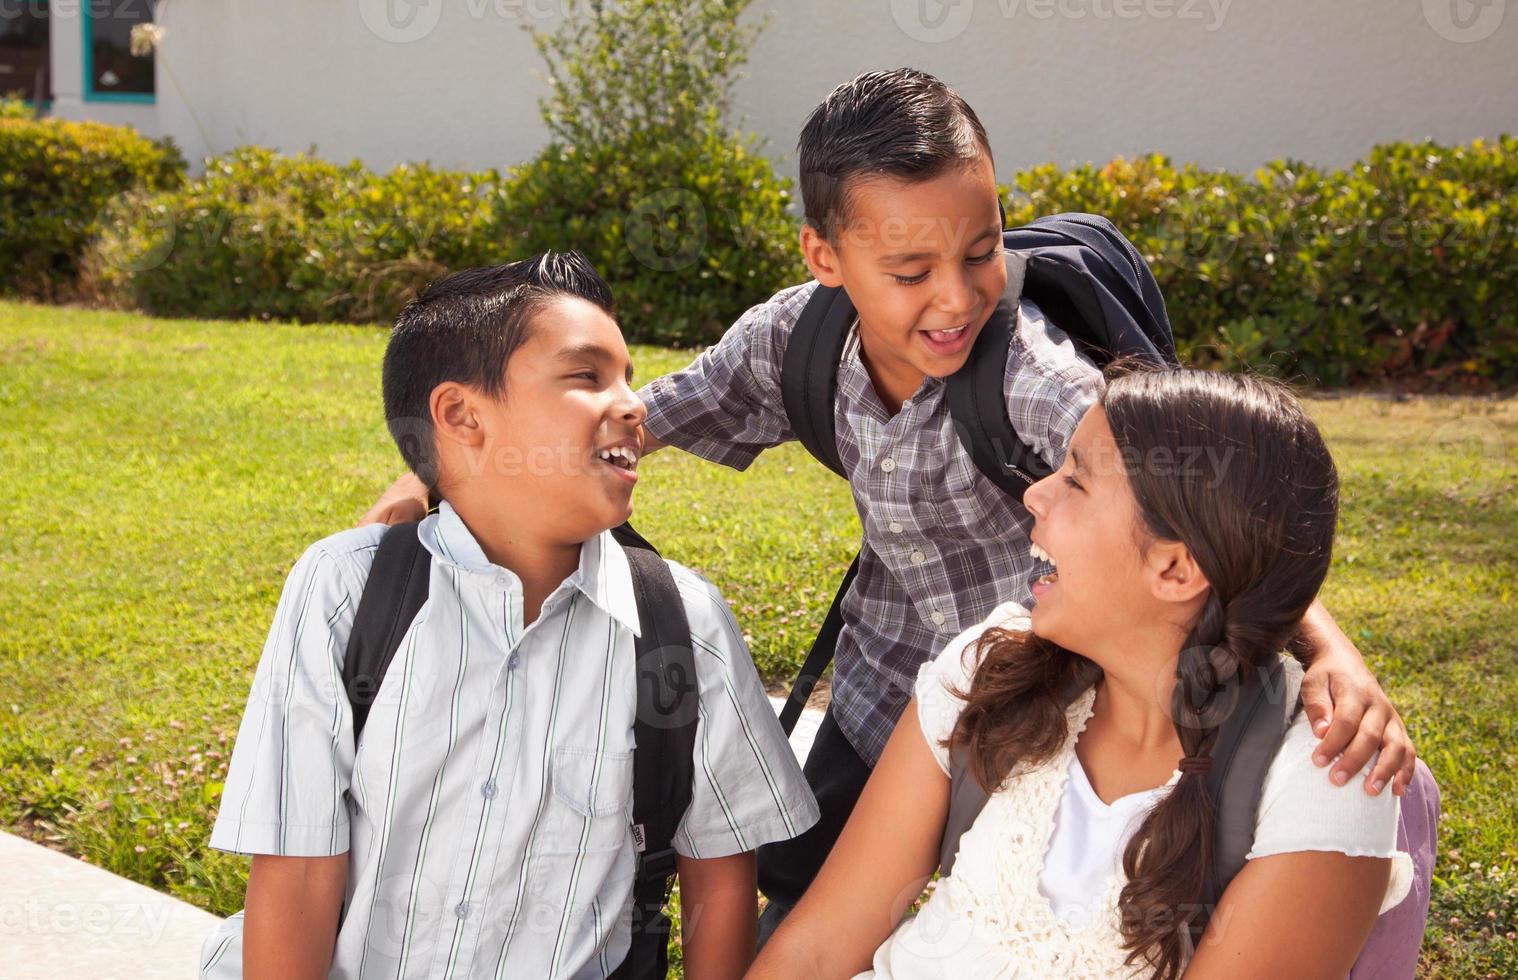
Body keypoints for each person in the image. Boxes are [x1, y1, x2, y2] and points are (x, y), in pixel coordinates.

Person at [360, 70, 1416, 936]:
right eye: (909, 269)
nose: (955, 297)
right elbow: (663, 410)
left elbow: (1195, 516)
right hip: (888, 685)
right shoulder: (796, 340)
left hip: (1039, 689)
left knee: (1013, 894)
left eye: (980, 249)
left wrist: (1329, 651)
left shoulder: (1037, 380)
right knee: (807, 899)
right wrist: (443, 477)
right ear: (826, 260)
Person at [200, 252, 818, 979]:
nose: (633, 403)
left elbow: (718, 871)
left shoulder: (681, 622)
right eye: (587, 376)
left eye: (627, 376)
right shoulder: (345, 589)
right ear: (462, 415)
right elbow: (298, 868)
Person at [749, 366, 1413, 979]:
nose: (1033, 495)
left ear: (1176, 569)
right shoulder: (987, 666)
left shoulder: (1322, 776)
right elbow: (819, 946)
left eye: (1074, 479)